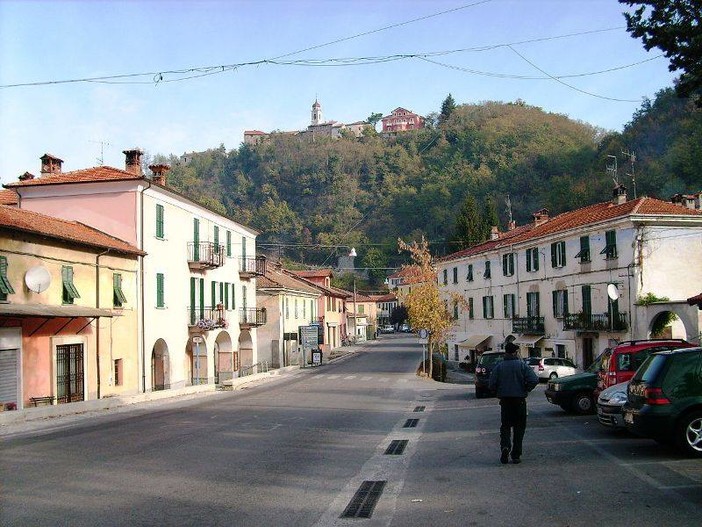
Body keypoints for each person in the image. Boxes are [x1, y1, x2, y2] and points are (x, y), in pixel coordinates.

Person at [488, 341, 539, 464]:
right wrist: (526, 388)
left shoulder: (499, 367)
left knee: (505, 426)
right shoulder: (522, 365)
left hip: (505, 401)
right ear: (515, 352)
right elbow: (534, 379)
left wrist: (498, 392)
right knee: (519, 428)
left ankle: (505, 447)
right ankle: (516, 455)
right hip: (519, 400)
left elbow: (491, 384)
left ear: (505, 353)